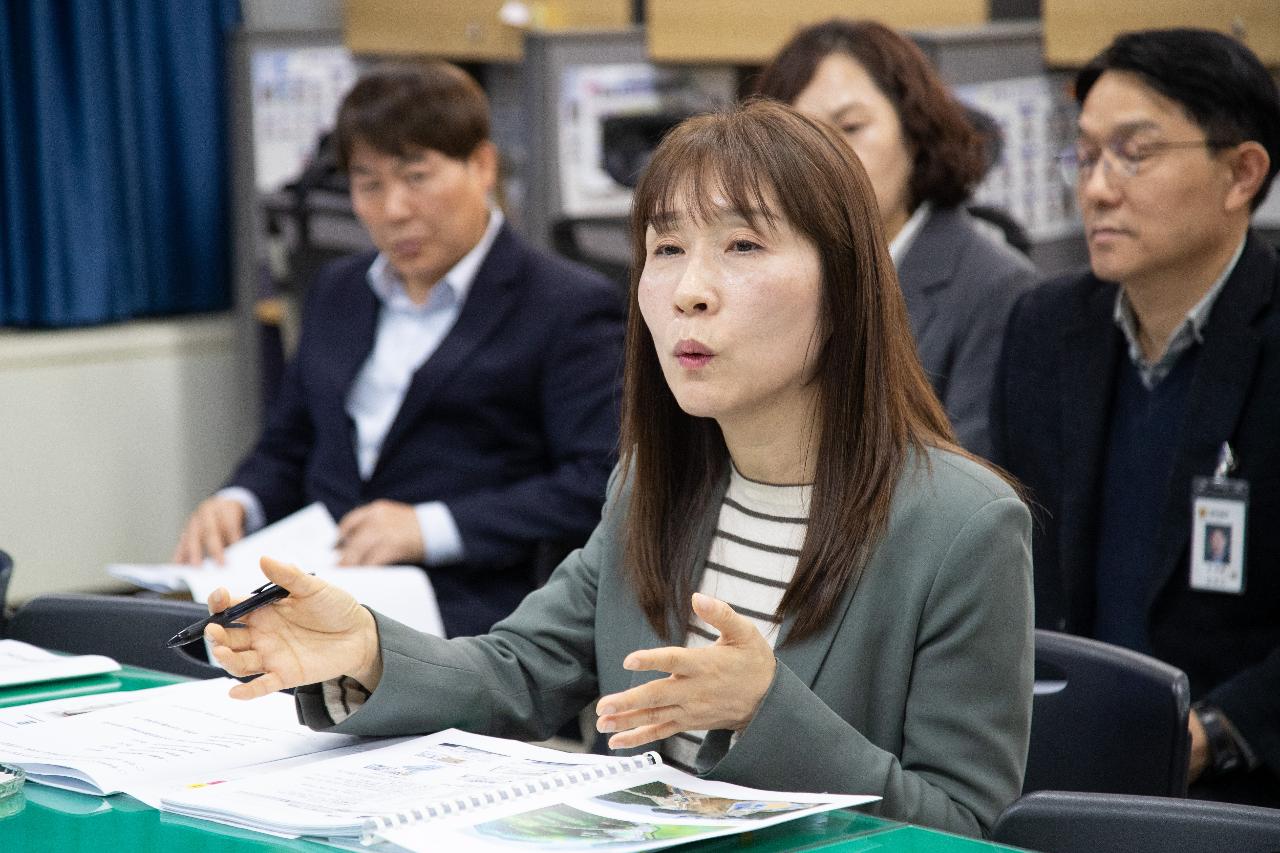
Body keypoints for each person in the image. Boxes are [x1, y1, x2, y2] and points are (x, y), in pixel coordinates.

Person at [205, 101, 1034, 837]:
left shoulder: (962, 524)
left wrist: (763, 711)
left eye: (743, 244)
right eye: (666, 247)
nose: (689, 291)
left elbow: (963, 826)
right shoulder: (652, 485)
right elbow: (519, 670)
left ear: (847, 285)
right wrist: (366, 649)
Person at [174, 62, 624, 638]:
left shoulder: (565, 304)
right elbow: (290, 442)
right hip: (321, 583)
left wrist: (428, 529)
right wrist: (239, 501)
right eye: (369, 185)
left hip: (467, 608)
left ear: (482, 166)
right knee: (180, 641)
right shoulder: (338, 289)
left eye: (417, 177)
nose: (394, 210)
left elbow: (598, 481)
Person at [991, 29, 1280, 804]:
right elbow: (1014, 563)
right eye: (1085, 156)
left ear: (1241, 173)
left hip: (1241, 787)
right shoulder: (1045, 328)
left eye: (1134, 153)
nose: (1096, 189)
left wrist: (1216, 731)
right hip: (1063, 772)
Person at [753, 19, 1035, 459]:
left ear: (914, 135)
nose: (827, 159)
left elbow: (975, 483)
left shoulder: (999, 290)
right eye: (804, 140)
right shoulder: (767, 276)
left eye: (850, 128)